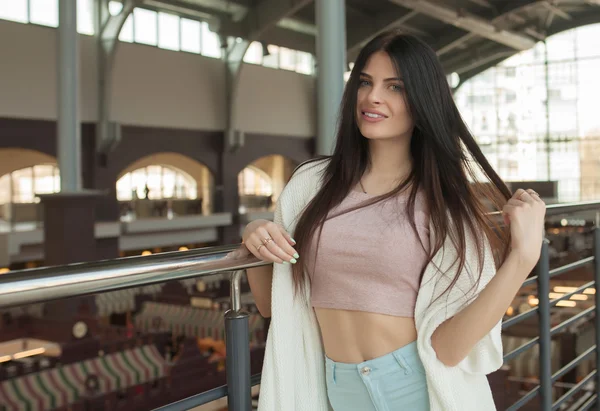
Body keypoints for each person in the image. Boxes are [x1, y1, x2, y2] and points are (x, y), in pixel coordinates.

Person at [238, 31, 546, 411]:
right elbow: (274, 304)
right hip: (335, 388)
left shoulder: (446, 203)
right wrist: (253, 234)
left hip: (414, 388)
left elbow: (449, 350)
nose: (372, 97)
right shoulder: (311, 184)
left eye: (394, 87)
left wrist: (522, 258)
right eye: (365, 82)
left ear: (422, 101)